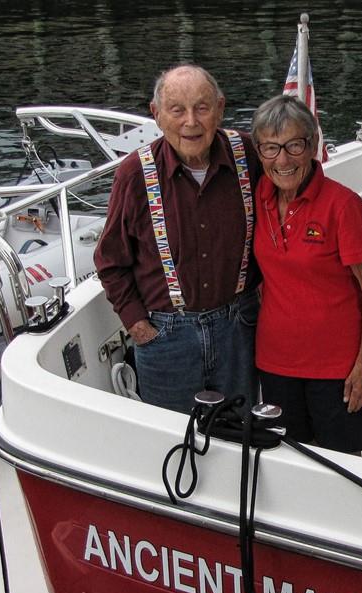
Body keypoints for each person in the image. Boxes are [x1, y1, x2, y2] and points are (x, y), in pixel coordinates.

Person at [94, 65, 261, 414]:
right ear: (156, 115)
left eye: (201, 108)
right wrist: (139, 327)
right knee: (173, 446)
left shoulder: (248, 155)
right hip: (167, 337)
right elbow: (110, 262)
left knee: (240, 436)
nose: (191, 122)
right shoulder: (135, 174)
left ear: (220, 108)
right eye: (177, 110)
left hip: (238, 329)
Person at [251, 94, 362, 455]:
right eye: (271, 148)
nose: (283, 159)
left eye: (294, 145)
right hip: (276, 362)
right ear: (259, 152)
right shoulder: (257, 200)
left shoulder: (343, 205)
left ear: (312, 145)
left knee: (344, 467)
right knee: (291, 459)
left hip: (338, 367)